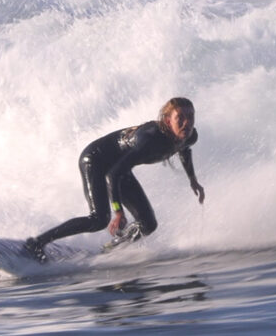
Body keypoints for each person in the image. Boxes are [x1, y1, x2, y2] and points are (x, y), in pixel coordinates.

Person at [24, 97, 205, 262]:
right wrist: (118, 212)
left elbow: (184, 149)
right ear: (168, 120)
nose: (186, 123)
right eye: (180, 118)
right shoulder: (149, 139)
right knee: (99, 219)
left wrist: (193, 180)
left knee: (148, 224)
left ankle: (110, 249)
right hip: (96, 159)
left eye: (190, 117)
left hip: (119, 167)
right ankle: (37, 243)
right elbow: (113, 174)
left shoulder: (189, 136)